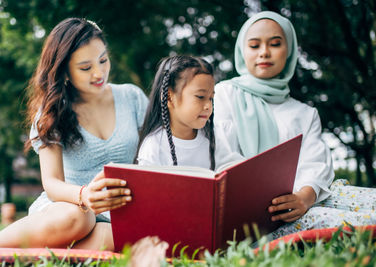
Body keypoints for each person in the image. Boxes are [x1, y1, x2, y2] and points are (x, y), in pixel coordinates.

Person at [0, 17, 148, 249]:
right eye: (86, 68)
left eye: (103, 60)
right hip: (67, 208)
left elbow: (151, 158)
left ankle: (33, 258)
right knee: (79, 217)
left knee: (111, 236)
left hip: (115, 214)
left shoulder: (132, 97)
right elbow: (52, 182)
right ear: (64, 71)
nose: (99, 73)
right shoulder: (52, 111)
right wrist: (84, 195)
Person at [214, 11, 376, 239]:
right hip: (254, 214)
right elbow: (222, 155)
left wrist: (304, 197)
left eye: (275, 44)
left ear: (289, 50)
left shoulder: (305, 113)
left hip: (304, 199)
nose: (264, 52)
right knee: (335, 220)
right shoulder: (224, 94)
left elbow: (315, 163)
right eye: (254, 45)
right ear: (242, 50)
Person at [135, 55, 216, 170]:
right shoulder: (154, 148)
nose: (208, 106)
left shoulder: (213, 137)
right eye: (200, 96)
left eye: (211, 98)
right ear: (169, 97)